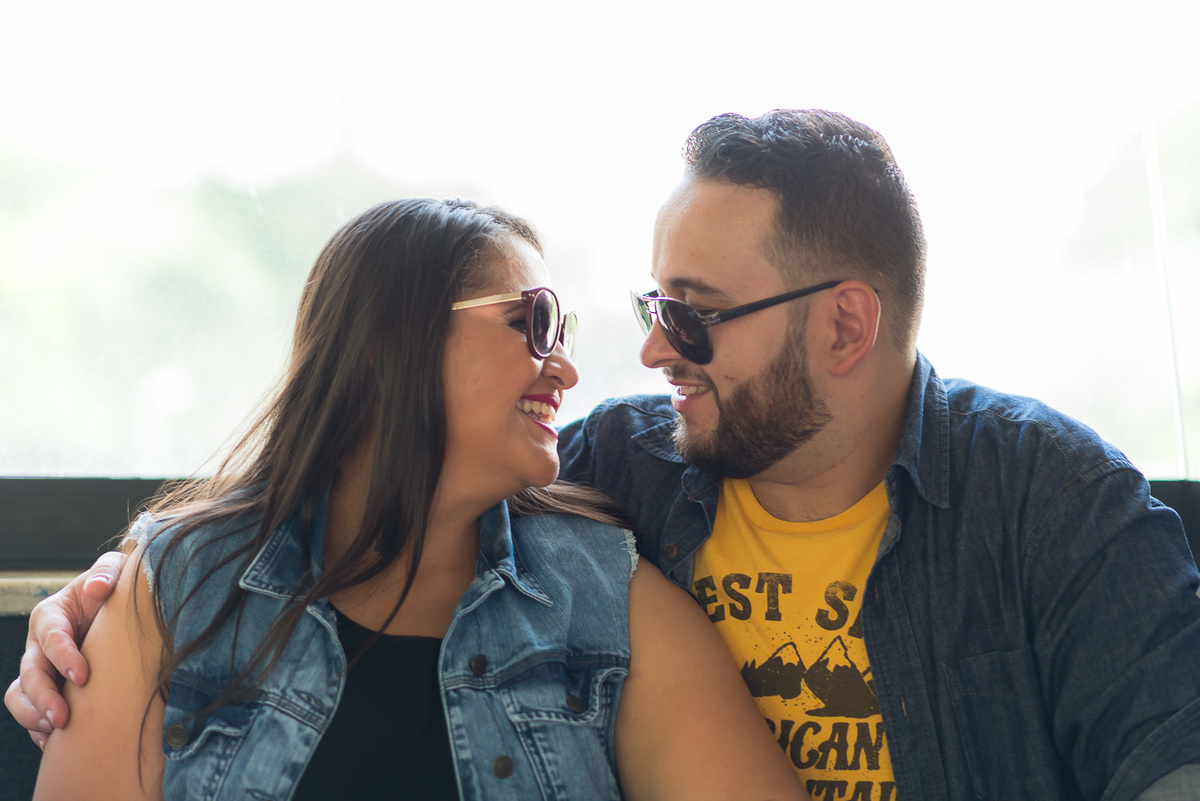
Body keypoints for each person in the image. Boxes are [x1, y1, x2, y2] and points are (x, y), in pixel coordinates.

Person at [10, 111, 1200, 798]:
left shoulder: (1059, 509)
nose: (634, 353)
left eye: (692, 312)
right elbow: (379, 490)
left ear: (843, 325)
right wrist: (124, 582)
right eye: (549, 324)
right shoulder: (630, 469)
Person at [19, 198, 805, 801]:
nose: (564, 369)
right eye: (533, 323)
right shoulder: (174, 589)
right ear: (387, 344)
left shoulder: (608, 603)